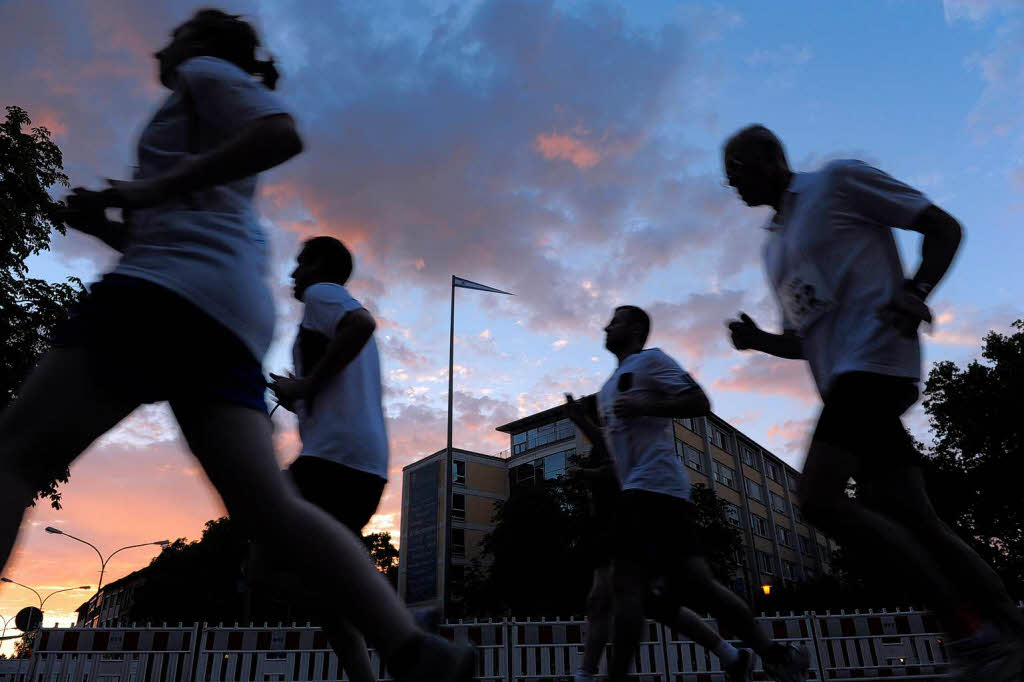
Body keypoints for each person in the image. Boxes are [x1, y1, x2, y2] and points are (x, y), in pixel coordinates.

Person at [0, 10, 471, 682]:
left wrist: (148, 188)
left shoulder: (204, 71)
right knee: (266, 511)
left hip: (163, 295)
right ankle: (410, 646)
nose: (166, 41)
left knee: (16, 454)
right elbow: (168, 239)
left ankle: (396, 639)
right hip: (219, 308)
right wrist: (110, 221)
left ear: (203, 42)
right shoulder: (200, 107)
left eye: (180, 30)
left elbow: (280, 134)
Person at [723, 124, 1024, 681]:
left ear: (771, 156)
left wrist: (916, 292)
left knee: (817, 499)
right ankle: (1009, 631)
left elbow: (941, 226)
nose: (731, 183)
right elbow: (805, 334)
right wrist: (760, 341)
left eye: (737, 168)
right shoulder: (773, 248)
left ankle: (967, 634)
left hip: (878, 362)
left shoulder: (836, 181)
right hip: (845, 383)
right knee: (915, 516)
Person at [574, 306, 809, 682]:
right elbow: (618, 453)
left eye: (615, 320)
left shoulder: (650, 361)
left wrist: (647, 404)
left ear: (635, 329)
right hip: (646, 494)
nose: (606, 325)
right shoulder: (605, 390)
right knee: (693, 586)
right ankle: (775, 654)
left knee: (626, 585)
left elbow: (699, 401)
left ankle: (613, 679)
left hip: (654, 488)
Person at [246, 236, 387, 682]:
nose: (293, 273)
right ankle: (387, 650)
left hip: (334, 460)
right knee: (326, 590)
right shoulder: (322, 319)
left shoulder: (322, 294)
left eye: (300, 263)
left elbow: (362, 325)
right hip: (361, 464)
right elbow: (327, 389)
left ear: (321, 266)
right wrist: (295, 393)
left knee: (260, 567)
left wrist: (305, 387)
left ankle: (401, 631)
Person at [563, 394, 755, 682]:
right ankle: (732, 655)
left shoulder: (621, 438)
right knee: (653, 606)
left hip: (630, 527)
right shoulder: (604, 441)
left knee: (601, 598)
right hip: (610, 528)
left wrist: (584, 474)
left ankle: (586, 675)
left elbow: (618, 471)